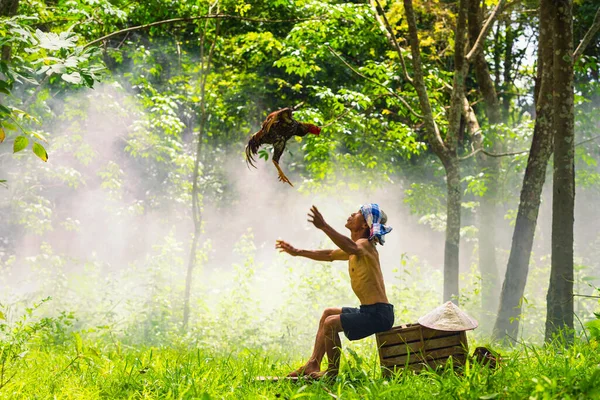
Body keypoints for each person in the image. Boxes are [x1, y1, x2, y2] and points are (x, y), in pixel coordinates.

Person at [275, 203, 394, 379]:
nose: (352, 213)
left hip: (378, 314)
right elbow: (330, 255)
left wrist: (324, 226)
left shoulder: (364, 245)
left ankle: (331, 373)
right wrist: (298, 252)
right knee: (328, 313)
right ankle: (313, 363)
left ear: (364, 225)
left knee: (331, 323)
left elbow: (351, 247)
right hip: (371, 311)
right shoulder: (356, 248)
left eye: (358, 213)